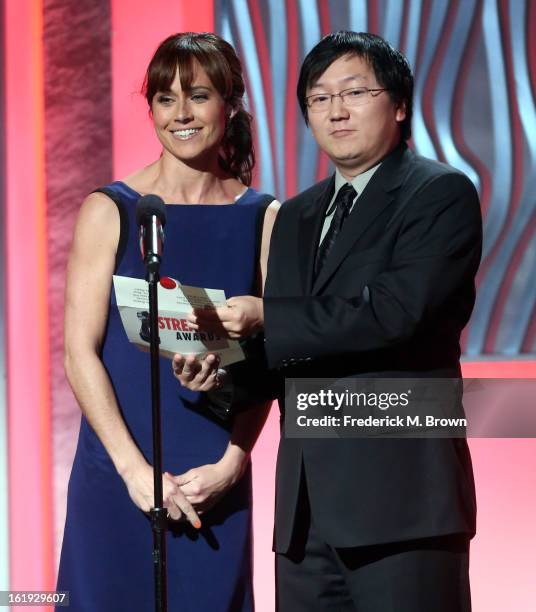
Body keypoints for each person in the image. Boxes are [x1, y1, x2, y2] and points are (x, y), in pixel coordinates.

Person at [175, 31, 482, 612]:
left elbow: (394, 314)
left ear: (398, 105)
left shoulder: (438, 193)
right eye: (318, 98)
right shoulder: (295, 214)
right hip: (305, 514)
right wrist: (221, 373)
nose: (335, 110)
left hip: (403, 502)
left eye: (355, 92)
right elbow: (289, 354)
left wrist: (265, 317)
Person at [57, 32, 279, 611]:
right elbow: (80, 352)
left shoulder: (264, 218)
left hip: (213, 476)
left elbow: (276, 360)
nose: (180, 113)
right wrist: (134, 472)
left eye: (198, 96)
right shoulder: (111, 209)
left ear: (229, 104)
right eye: (164, 98)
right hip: (117, 470)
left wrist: (233, 464)